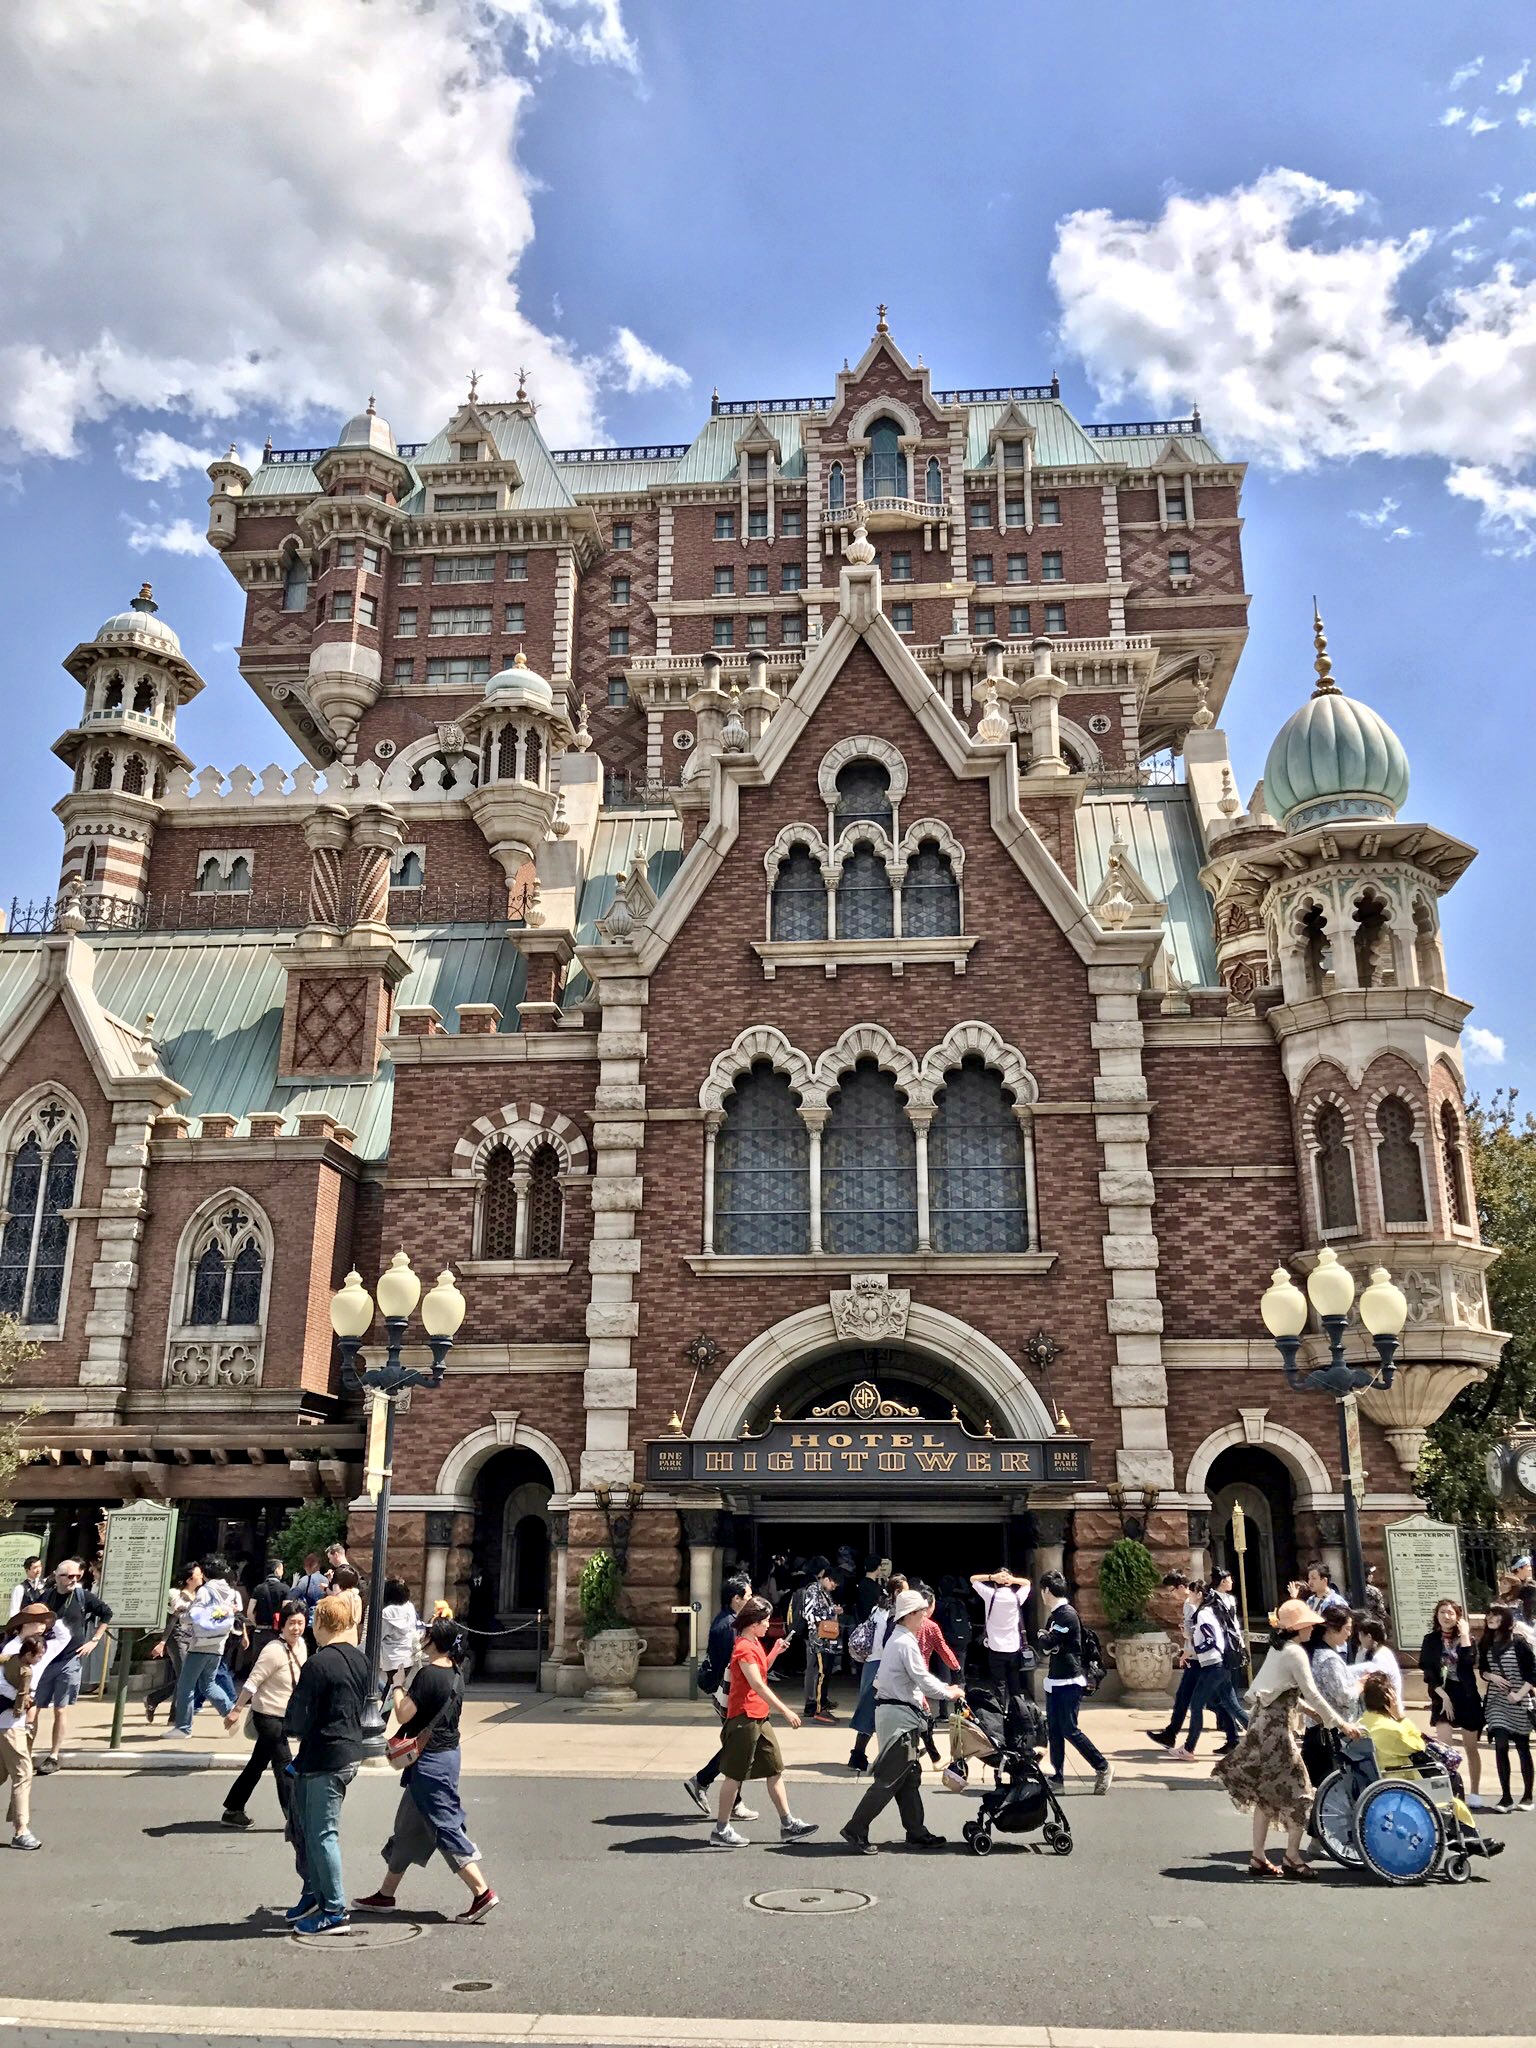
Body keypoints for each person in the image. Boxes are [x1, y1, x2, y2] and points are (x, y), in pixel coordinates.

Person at [352, 1616, 499, 1923]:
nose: (422, 1638)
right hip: (443, 1757)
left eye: (427, 1634)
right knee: (407, 1829)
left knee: (445, 1826)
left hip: (430, 1763)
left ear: (435, 1641)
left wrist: (396, 1686)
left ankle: (482, 1891)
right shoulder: (456, 1674)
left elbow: (405, 1715)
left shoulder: (429, 1674)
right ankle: (385, 1895)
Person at [1213, 1597, 1359, 1878]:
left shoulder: (1279, 1648)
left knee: (1266, 1794)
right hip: (1276, 1731)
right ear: (1299, 1627)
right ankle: (1292, 1856)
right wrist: (1340, 1723)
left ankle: (1258, 1857)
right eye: (1308, 1624)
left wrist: (1313, 1714)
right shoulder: (1295, 1653)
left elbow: (1280, 1691)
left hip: (1263, 1725)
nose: (1312, 1628)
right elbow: (1311, 1693)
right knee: (1303, 1791)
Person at [840, 1586, 963, 1853]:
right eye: (921, 1614)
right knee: (890, 1778)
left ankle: (916, 1831)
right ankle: (856, 1828)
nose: (924, 1619)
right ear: (910, 1615)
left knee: (908, 1777)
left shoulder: (900, 1638)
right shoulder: (905, 1642)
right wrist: (950, 1692)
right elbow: (924, 1680)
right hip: (899, 1717)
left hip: (897, 1714)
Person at [282, 1591, 372, 1933]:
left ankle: (334, 1910)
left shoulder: (318, 1663)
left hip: (324, 1755)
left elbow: (299, 1717)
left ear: (321, 1623)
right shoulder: (360, 1660)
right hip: (346, 1750)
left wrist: (290, 1725)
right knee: (309, 1827)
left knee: (320, 1833)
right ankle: (317, 1894)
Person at [709, 1596, 816, 1850]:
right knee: (734, 1776)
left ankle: (788, 1823)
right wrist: (786, 1711)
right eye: (766, 1621)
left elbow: (760, 1672)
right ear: (754, 1622)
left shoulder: (753, 1643)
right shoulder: (744, 1647)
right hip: (744, 1718)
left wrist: (775, 1652)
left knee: (774, 1769)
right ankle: (721, 1829)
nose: (769, 1625)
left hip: (758, 1716)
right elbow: (756, 1683)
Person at [1358, 1671, 1503, 1858]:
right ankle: (1464, 1835)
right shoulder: (1390, 1728)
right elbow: (1418, 1745)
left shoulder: (1363, 1722)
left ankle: (1465, 1834)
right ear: (1388, 1698)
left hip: (1383, 1777)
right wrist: (1400, 1716)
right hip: (1401, 1780)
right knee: (1450, 1778)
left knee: (1447, 1778)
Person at [221, 1599, 307, 1828]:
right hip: (267, 1714)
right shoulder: (272, 1651)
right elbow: (252, 1682)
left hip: (284, 1715)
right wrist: (237, 1709)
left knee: (257, 1763)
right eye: (292, 1623)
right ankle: (294, 1817)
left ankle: (233, 1809)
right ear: (282, 1625)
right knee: (284, 1764)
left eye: (300, 1623)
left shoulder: (302, 1646)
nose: (296, 1628)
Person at [683, 1575, 759, 1822]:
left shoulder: (731, 1621)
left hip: (728, 1691)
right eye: (747, 1596)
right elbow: (734, 1665)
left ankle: (723, 1793)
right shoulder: (727, 1626)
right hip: (727, 1693)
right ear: (735, 1599)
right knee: (738, 1745)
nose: (750, 1599)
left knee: (738, 1745)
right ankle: (707, 1783)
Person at [34, 1559, 112, 1775]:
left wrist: (94, 1640)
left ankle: (54, 1755)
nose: (73, 1580)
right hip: (45, 1659)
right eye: (69, 1576)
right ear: (57, 1576)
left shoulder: (81, 1596)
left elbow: (106, 1613)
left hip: (69, 1659)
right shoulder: (47, 1597)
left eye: (77, 1576)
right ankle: (26, 1751)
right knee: (33, 1709)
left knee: (60, 1709)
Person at [0, 1602, 69, 1849]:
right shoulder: (12, 1649)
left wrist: (53, 1614)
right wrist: (23, 1697)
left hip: (17, 1720)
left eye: (44, 1620)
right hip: (8, 1720)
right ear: (23, 1624)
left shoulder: (40, 1648)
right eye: (37, 1620)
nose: (43, 1624)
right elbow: (2, 1684)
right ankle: (21, 1831)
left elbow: (64, 1636)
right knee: (23, 1773)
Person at [1036, 1571, 1112, 1794]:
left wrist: (1045, 1638)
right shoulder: (1055, 1616)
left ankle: (1102, 1766)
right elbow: (1048, 1645)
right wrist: (1047, 1641)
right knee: (1055, 1730)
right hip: (1056, 1679)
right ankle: (1057, 1777)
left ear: (1046, 1591)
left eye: (1042, 1590)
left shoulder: (1067, 1615)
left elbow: (1048, 1642)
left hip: (1070, 1679)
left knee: (1069, 1729)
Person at [1173, 1576, 1249, 1761]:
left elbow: (1210, 1641)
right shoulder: (1210, 1611)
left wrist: (1192, 1652)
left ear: (1198, 1594)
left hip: (1213, 1665)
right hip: (1220, 1665)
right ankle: (1262, 1736)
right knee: (1232, 1705)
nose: (1189, 1596)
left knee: (1197, 1705)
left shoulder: (1203, 1613)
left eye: (1191, 1592)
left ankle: (1189, 1748)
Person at [1420, 1598, 1487, 1807]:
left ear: (1458, 1617)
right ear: (1437, 1616)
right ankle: (1448, 1792)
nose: (1446, 1617)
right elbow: (1428, 1671)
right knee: (1444, 1748)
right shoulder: (1431, 1640)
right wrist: (1444, 1697)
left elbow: (1469, 1662)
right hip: (1442, 1695)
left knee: (1470, 1747)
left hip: (1466, 1696)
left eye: (1450, 1613)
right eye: (1442, 1613)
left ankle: (1475, 1791)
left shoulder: (1467, 1640)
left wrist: (1465, 1634)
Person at [169, 1555, 242, 1737]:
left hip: (200, 1643)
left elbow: (194, 1615)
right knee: (208, 1683)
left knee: (186, 1685)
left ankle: (183, 1727)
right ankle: (229, 1711)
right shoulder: (230, 1592)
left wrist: (181, 1616)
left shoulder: (205, 1591)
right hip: (218, 1642)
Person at [1478, 1601, 1536, 1814]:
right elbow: (1483, 1669)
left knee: (1522, 1747)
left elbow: (1532, 1674)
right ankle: (1506, 1797)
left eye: (1496, 1616)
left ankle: (1528, 1795)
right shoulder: (1485, 1642)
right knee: (1500, 1744)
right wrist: (1491, 1676)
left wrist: (1519, 1694)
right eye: (1489, 1616)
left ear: (1506, 1620)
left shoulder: (1519, 1643)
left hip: (1519, 1701)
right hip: (1497, 1701)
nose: (1491, 1619)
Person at [847, 1574, 906, 1773]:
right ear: (897, 1592)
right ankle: (862, 1755)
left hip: (871, 1664)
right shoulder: (894, 1613)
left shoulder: (877, 1609)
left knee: (869, 1709)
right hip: (883, 1665)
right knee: (883, 1710)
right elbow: (889, 1642)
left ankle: (858, 1754)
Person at [1299, 1607, 1355, 1787]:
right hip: (1331, 1731)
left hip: (1315, 1728)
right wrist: (1360, 1686)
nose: (1349, 1634)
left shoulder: (1314, 1652)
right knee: (1330, 1786)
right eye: (1347, 1628)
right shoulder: (1329, 1658)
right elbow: (1343, 1696)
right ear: (1332, 1629)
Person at [970, 1566, 1034, 1712]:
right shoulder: (1016, 1597)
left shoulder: (990, 1594)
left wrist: (992, 1577)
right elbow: (1027, 1583)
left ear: (995, 1582)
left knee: (999, 1684)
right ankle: (1018, 1712)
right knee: (1014, 1683)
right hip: (1013, 1647)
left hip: (995, 1647)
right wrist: (1011, 1579)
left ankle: (1000, 1713)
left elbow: (973, 1579)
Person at [144, 1563, 201, 1724]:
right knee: (185, 1676)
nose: (201, 1576)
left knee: (185, 1677)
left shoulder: (197, 1595)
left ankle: (155, 1701)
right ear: (189, 1579)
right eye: (198, 1574)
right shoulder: (177, 1595)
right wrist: (163, 1641)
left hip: (191, 1638)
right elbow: (173, 1619)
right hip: (176, 1637)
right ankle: (174, 1716)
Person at [795, 1558, 842, 1724]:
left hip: (826, 1639)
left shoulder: (823, 1591)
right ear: (826, 1578)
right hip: (819, 1639)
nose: (834, 1587)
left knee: (825, 1672)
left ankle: (820, 1704)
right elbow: (810, 1614)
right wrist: (831, 1610)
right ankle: (818, 1708)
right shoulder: (813, 1590)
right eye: (833, 1584)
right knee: (821, 1673)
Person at [378, 1577, 420, 1701]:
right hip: (407, 1655)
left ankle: (382, 1719)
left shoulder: (386, 1613)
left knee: (390, 1693)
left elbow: (379, 1635)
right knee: (397, 1689)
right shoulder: (409, 1607)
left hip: (392, 1658)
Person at [1351, 1614, 1402, 1708]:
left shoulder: (1379, 1657)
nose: (1359, 1638)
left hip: (1387, 1708)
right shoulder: (1380, 1651)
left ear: (1369, 1637)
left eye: (1360, 1635)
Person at [247, 1557, 292, 1651]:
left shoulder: (258, 1589)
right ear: (277, 1570)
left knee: (258, 1662)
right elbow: (288, 1611)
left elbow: (250, 1612)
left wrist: (256, 1624)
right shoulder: (285, 1589)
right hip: (276, 1632)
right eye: (282, 1569)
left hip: (260, 1632)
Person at [291, 1552, 329, 1625]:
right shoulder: (326, 1580)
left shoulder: (305, 1580)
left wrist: (294, 1584)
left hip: (308, 1619)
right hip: (323, 1618)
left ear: (309, 1566)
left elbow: (292, 1596)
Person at [1361, 1563, 1390, 1637]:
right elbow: (1381, 1611)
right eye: (1370, 1574)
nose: (1372, 1576)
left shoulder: (1350, 1591)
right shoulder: (1374, 1591)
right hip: (1374, 1624)